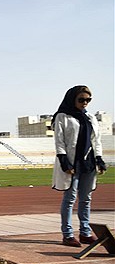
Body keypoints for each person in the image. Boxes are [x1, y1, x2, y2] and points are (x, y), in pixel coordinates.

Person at [52, 85, 107, 247]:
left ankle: (85, 232)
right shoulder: (62, 117)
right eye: (81, 99)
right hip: (72, 162)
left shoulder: (90, 117)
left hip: (88, 163)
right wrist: (64, 161)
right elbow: (59, 141)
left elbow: (96, 141)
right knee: (69, 198)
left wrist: (99, 159)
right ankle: (67, 234)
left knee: (86, 198)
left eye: (88, 100)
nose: (85, 103)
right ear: (72, 99)